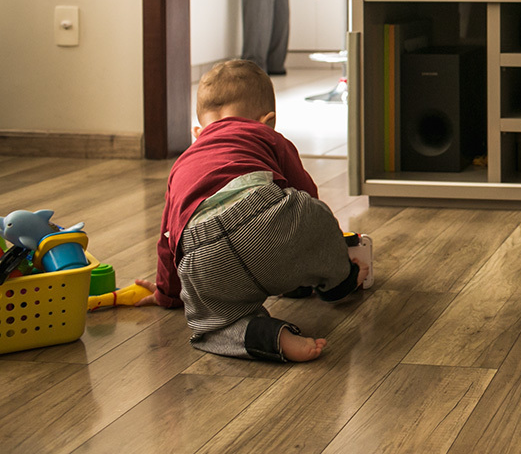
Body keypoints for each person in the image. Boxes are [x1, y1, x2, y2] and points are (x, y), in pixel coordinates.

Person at [135, 59, 362, 362]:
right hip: (263, 214)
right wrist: (320, 253)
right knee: (311, 215)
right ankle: (339, 283)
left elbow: (167, 242)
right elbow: (308, 195)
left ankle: (264, 335)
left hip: (201, 253)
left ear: (198, 131)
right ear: (267, 121)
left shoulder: (180, 165)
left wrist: (168, 294)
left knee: (210, 325)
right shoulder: (266, 136)